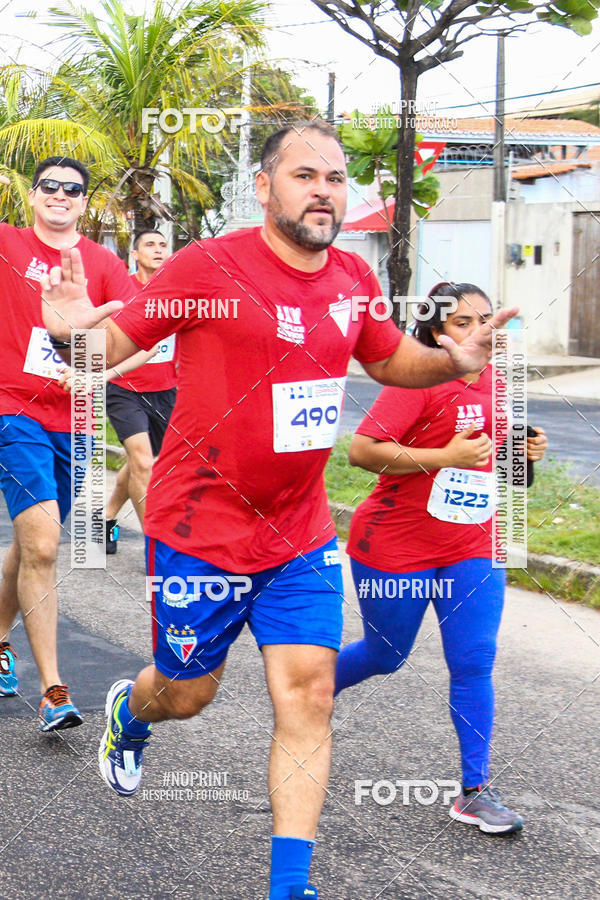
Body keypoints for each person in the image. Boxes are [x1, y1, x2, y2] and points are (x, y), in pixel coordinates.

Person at [40, 126, 517, 899]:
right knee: (189, 694)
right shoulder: (208, 266)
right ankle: (131, 709)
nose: (324, 189)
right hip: (199, 530)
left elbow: (390, 358)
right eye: (305, 174)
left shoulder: (355, 277)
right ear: (265, 187)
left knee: (309, 693)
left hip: (299, 534)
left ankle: (289, 886)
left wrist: (451, 362)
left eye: (335, 177)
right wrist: (68, 334)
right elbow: (111, 350)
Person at [336, 282, 547, 835]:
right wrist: (443, 456)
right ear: (433, 334)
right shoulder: (421, 382)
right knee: (386, 657)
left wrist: (526, 458)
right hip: (395, 547)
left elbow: (504, 477)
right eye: (462, 322)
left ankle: (475, 790)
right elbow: (362, 451)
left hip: (472, 547)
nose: (480, 329)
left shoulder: (502, 388)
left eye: (485, 318)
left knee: (474, 662)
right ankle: (307, 690)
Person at [0, 157, 133, 730]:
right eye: (49, 186)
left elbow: (139, 339)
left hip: (75, 417)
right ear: (32, 197)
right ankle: (55, 691)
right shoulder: (6, 243)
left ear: (84, 203)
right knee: (47, 546)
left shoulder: (103, 263)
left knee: (36, 541)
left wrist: (91, 365)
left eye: (72, 189)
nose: (59, 195)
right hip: (12, 409)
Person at [104, 229, 177, 553]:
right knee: (143, 461)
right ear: (135, 254)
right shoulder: (124, 291)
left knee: (142, 464)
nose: (158, 250)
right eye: (150, 245)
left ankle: (106, 517)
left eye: (163, 245)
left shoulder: (177, 293)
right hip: (124, 389)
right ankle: (156, 548)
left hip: (167, 390)